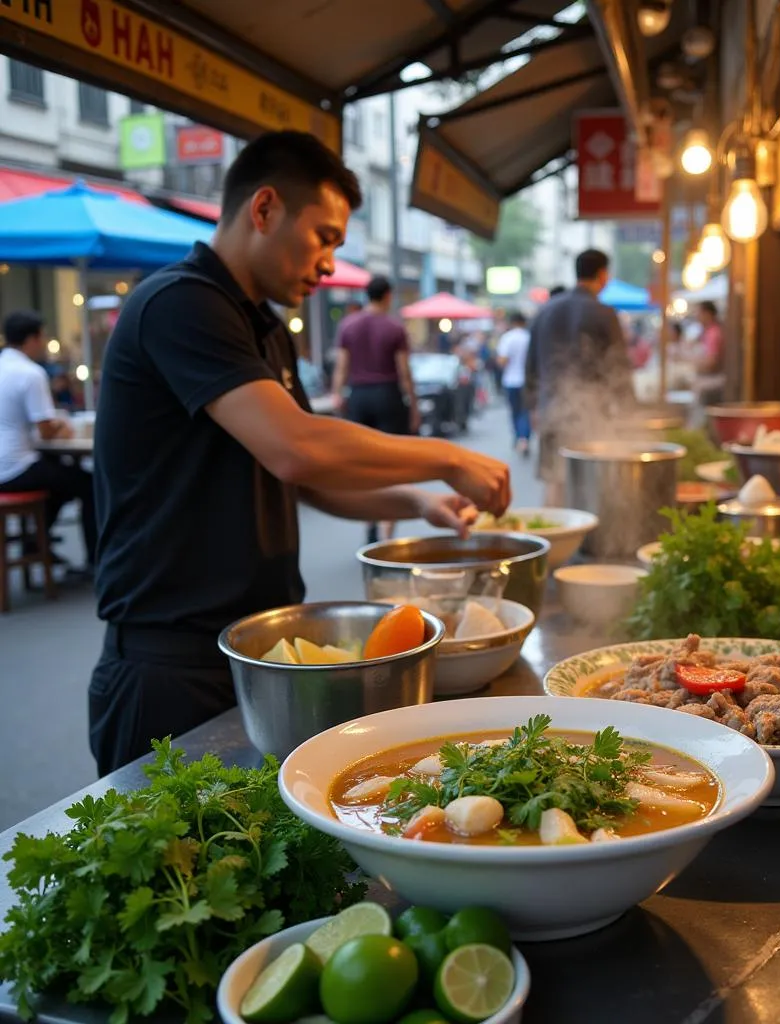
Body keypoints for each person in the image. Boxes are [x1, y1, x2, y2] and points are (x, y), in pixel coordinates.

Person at [89, 130, 510, 775]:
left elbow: (307, 478)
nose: (328, 263)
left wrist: (415, 502)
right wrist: (446, 458)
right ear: (264, 209)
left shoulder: (263, 326)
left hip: (260, 653)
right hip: (170, 665)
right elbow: (296, 447)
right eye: (324, 237)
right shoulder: (181, 304)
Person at [525, 249, 635, 505]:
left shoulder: (546, 310)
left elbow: (531, 366)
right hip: (593, 412)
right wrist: (630, 412)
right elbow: (618, 369)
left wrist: (532, 407)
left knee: (555, 480)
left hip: (551, 408)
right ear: (603, 274)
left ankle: (554, 537)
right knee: (593, 482)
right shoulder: (604, 313)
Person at [0, 310, 96, 574]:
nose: (43, 344)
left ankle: (36, 544)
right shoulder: (30, 373)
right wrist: (63, 427)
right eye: (42, 337)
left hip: (5, 464)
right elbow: (46, 430)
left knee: (62, 478)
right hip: (15, 467)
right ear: (32, 339)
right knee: (88, 484)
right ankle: (95, 562)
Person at [332, 276, 421, 542]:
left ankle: (369, 522)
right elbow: (404, 371)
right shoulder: (394, 327)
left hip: (359, 396)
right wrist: (414, 405)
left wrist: (337, 394)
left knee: (365, 466)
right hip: (388, 396)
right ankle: (386, 534)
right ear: (388, 296)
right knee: (391, 466)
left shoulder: (348, 325)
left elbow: (341, 367)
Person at [496, 311, 531, 455]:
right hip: (527, 381)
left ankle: (518, 436)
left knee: (515, 411)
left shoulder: (507, 338)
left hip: (511, 381)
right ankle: (524, 438)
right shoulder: (529, 337)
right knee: (525, 411)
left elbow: (502, 361)